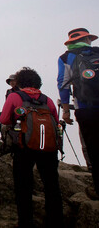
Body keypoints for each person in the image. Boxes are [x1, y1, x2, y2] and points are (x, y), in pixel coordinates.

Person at [1, 67, 63, 227]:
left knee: (23, 185)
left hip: (24, 146)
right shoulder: (47, 100)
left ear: (20, 82)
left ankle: (26, 222)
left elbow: (5, 119)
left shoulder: (15, 96)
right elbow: (56, 121)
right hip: (49, 148)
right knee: (52, 185)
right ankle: (55, 221)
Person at [57, 27, 99, 199]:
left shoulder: (66, 57)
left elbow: (63, 83)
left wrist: (66, 110)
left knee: (93, 147)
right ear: (88, 39)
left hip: (85, 107)